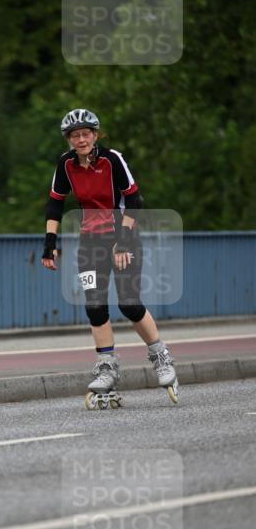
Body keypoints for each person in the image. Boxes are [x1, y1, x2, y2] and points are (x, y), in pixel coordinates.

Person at [40, 108, 178, 406]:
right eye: (74, 136)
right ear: (68, 139)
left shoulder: (112, 159)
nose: (81, 140)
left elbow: (135, 200)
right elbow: (54, 204)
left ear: (95, 135)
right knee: (94, 305)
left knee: (129, 303)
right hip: (90, 242)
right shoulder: (65, 164)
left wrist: (124, 240)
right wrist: (49, 243)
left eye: (85, 134)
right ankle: (107, 368)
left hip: (123, 237)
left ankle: (161, 356)